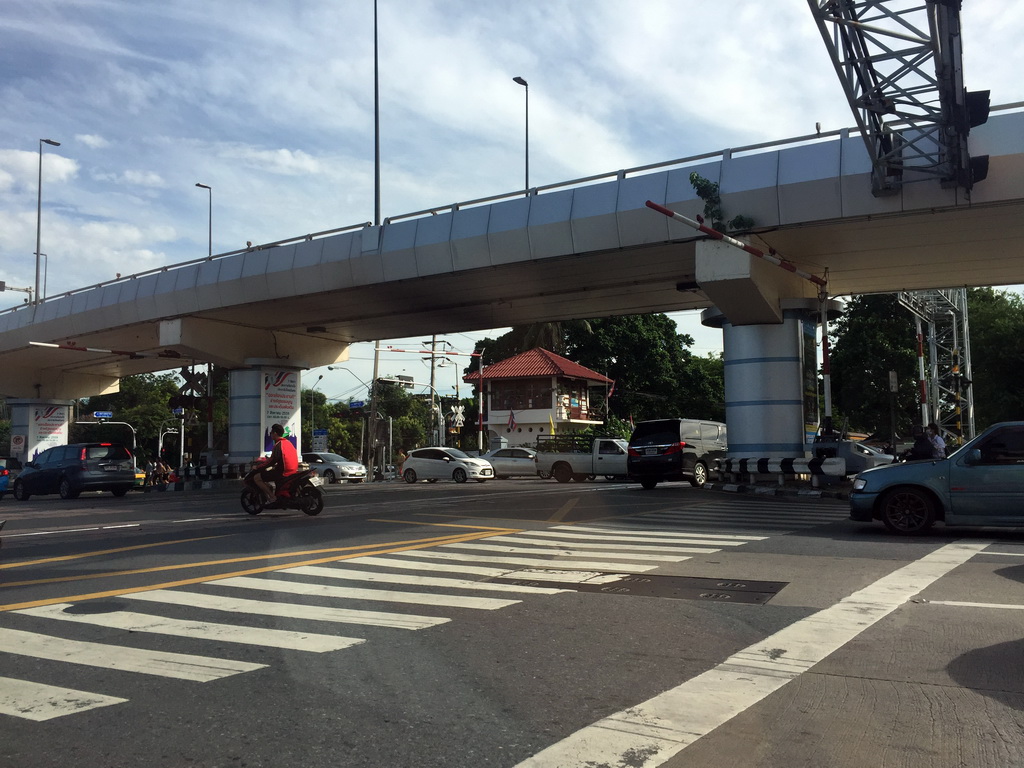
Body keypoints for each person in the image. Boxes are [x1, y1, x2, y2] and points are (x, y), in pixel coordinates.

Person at [253, 423, 299, 502]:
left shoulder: (278, 445)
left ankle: (272, 497)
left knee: (257, 478)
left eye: (271, 432)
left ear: (275, 433)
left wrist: (257, 467)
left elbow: (271, 462)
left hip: (284, 473)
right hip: (293, 471)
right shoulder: (288, 443)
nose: (270, 434)